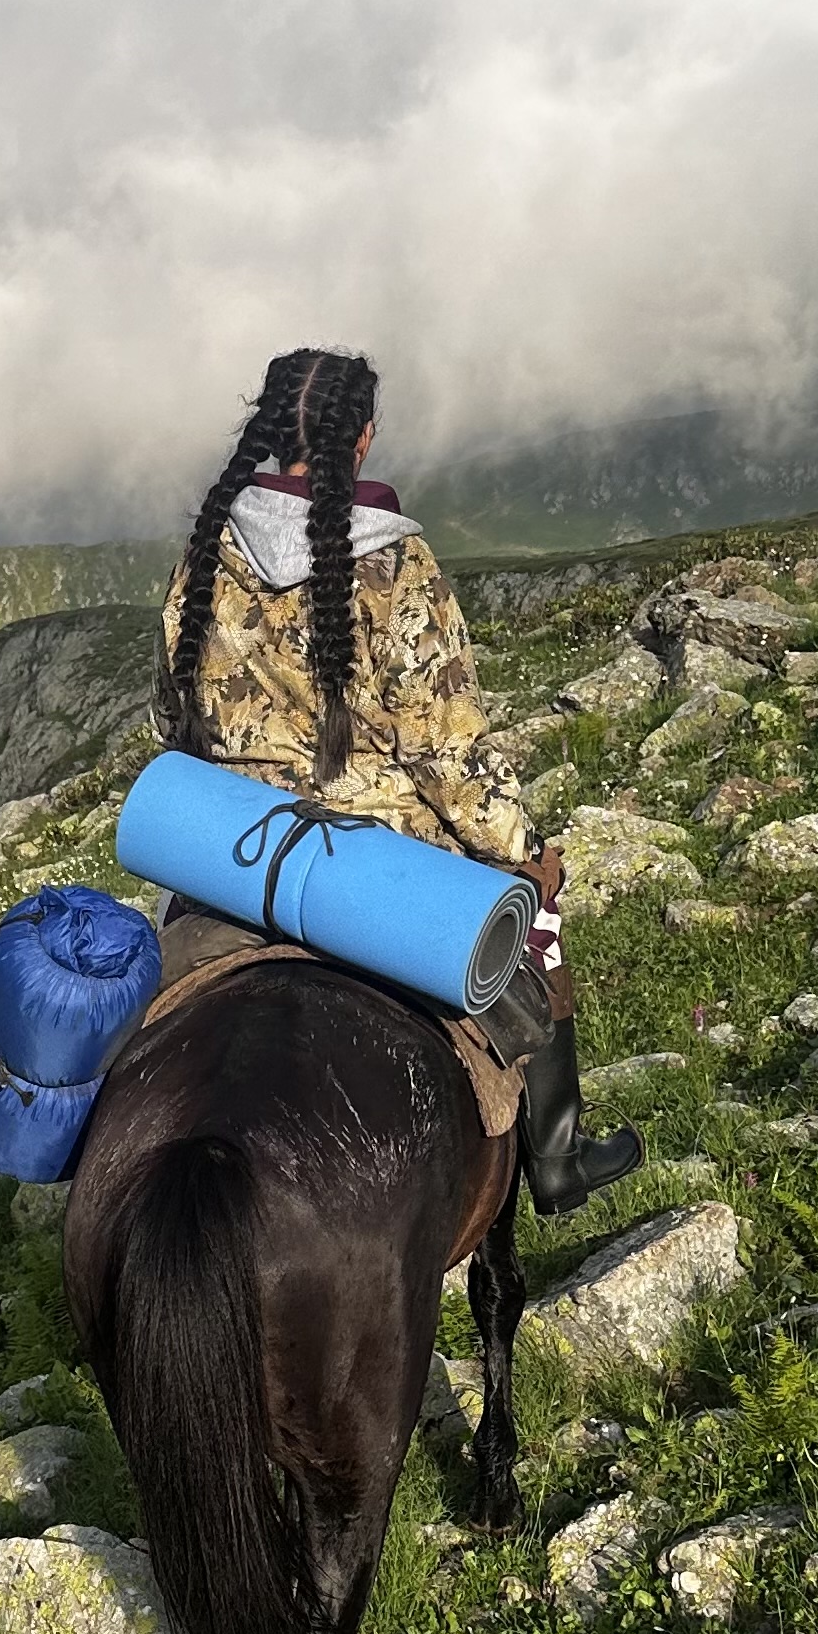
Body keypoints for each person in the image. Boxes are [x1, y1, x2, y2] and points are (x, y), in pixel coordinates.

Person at [158, 342, 643, 1217]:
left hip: (234, 852)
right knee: (534, 927)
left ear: (269, 435)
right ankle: (559, 1154)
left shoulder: (204, 553)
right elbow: (446, 750)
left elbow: (172, 719)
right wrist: (524, 848)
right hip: (374, 854)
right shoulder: (396, 563)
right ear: (364, 438)